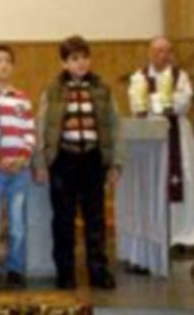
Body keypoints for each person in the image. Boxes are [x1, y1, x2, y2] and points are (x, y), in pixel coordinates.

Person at [33, 35, 122, 290]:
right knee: (63, 219)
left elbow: (115, 126)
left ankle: (98, 270)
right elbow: (41, 126)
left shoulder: (102, 89)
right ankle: (66, 272)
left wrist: (115, 163)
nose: (81, 63)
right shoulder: (52, 90)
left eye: (84, 57)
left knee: (96, 219)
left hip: (93, 160)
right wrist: (40, 162)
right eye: (74, 58)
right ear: (64, 63)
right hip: (63, 160)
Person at [128, 36, 194, 248]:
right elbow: (136, 105)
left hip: (177, 134)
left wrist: (158, 102)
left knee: (184, 178)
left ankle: (182, 234)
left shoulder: (181, 77)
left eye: (166, 51)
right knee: (153, 180)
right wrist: (162, 101)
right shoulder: (139, 77)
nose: (162, 55)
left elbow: (182, 102)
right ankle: (154, 233)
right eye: (157, 51)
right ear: (150, 53)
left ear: (171, 53)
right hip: (149, 137)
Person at [0, 45, 35, 290]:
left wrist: (23, 157)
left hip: (19, 171)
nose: (3, 65)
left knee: (18, 222)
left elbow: (30, 132)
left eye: (7, 61)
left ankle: (16, 268)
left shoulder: (21, 98)